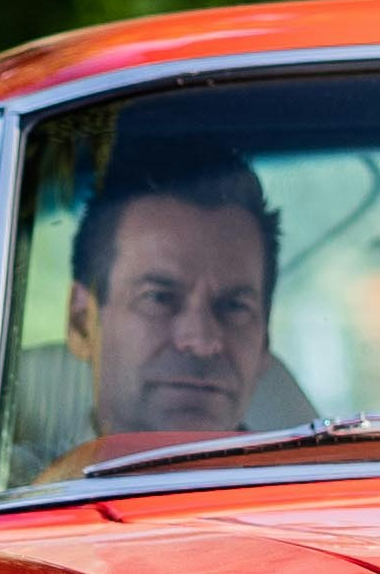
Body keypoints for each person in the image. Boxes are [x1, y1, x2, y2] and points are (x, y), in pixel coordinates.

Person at [58, 146, 280, 462]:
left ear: (265, 342)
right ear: (81, 322)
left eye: (233, 307)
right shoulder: (14, 493)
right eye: (159, 298)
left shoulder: (324, 502)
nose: (202, 341)